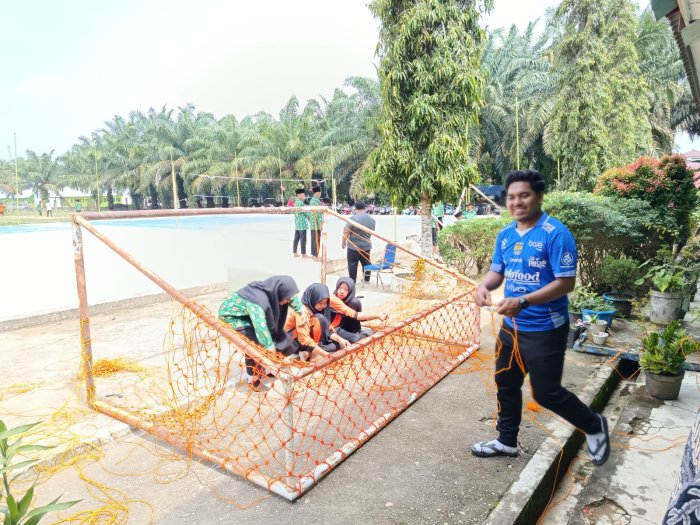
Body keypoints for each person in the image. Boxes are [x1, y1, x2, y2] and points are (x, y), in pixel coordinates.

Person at [471, 169, 610, 466]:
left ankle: (594, 425)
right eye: (511, 197)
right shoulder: (506, 235)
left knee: (547, 394)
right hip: (511, 327)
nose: (517, 202)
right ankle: (506, 441)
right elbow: (497, 271)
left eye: (524, 195)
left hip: (545, 329)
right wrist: (484, 286)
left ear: (539, 196)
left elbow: (566, 283)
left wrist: (524, 301)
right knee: (506, 382)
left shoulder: (556, 234)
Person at [218, 275, 304, 390]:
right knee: (255, 345)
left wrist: (300, 311)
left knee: (279, 335)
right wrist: (270, 350)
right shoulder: (258, 302)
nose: (288, 301)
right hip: (233, 317)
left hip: (249, 314)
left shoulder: (274, 290)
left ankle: (269, 369)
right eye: (286, 299)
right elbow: (261, 329)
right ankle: (254, 378)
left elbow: (290, 297)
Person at [286, 283, 349, 355]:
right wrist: (326, 355)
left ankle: (308, 352)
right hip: (293, 341)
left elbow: (327, 329)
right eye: (320, 302)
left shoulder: (319, 308)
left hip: (309, 340)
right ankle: (312, 354)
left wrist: (340, 340)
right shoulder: (301, 312)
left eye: (325, 302)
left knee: (338, 345)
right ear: (313, 299)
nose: (323, 305)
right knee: (320, 319)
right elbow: (304, 339)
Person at [331, 277, 388, 343]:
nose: (342, 291)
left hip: (343, 326)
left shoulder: (352, 302)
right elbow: (357, 316)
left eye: (346, 289)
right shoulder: (334, 299)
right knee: (356, 339)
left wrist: (378, 315)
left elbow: (359, 317)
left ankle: (355, 332)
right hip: (333, 328)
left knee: (354, 302)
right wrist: (377, 315)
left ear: (351, 290)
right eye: (339, 288)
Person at [342, 201, 376, 283]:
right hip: (366, 245)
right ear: (365, 208)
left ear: (355, 208)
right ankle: (366, 279)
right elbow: (372, 231)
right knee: (366, 263)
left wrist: (343, 242)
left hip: (353, 246)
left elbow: (346, 231)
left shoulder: (353, 219)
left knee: (352, 263)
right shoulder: (372, 220)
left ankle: (352, 281)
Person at [308, 185, 323, 260]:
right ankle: (315, 255)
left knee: (314, 239)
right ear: (317, 192)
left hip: (312, 223)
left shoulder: (311, 200)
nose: (320, 193)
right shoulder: (316, 201)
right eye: (320, 192)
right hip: (316, 223)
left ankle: (314, 255)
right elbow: (318, 213)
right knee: (316, 239)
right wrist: (320, 223)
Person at [292, 188, 308, 257]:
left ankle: (295, 253)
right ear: (299, 195)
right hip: (302, 223)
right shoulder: (301, 203)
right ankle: (303, 254)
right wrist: (309, 217)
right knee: (303, 239)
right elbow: (305, 212)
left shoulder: (296, 202)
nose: (304, 195)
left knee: (296, 238)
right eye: (303, 194)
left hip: (297, 222)